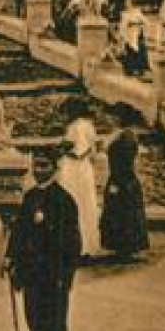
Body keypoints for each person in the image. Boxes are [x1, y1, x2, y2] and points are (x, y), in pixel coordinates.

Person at [2, 146, 82, 331]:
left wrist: (65, 274)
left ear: (55, 168)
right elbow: (19, 232)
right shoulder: (30, 197)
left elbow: (72, 243)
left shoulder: (63, 200)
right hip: (31, 271)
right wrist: (9, 257)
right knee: (33, 315)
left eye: (44, 165)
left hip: (53, 272)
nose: (38, 170)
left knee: (54, 315)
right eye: (35, 165)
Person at [98, 104, 150, 261]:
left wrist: (117, 182)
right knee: (121, 213)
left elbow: (124, 162)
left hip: (123, 179)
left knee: (122, 213)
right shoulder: (122, 134)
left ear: (119, 119)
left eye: (112, 116)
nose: (109, 119)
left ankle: (125, 249)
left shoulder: (126, 137)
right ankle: (122, 248)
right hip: (121, 178)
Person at [56, 99, 104, 260]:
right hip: (82, 168)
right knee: (84, 205)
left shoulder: (78, 126)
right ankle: (83, 245)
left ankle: (80, 247)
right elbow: (94, 149)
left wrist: (62, 150)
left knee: (77, 204)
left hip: (76, 170)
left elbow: (80, 151)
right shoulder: (87, 125)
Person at [117, 6, 149, 77]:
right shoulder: (125, 14)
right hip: (128, 34)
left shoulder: (137, 12)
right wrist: (122, 35)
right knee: (129, 50)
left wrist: (138, 23)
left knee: (139, 50)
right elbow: (122, 26)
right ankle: (129, 70)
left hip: (137, 33)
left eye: (130, 3)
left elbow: (146, 22)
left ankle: (140, 69)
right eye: (127, 3)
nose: (128, 5)